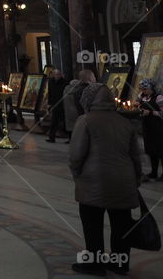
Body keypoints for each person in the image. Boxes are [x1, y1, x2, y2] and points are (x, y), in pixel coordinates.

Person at [69, 83, 141, 276]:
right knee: (121, 224)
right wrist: (136, 178)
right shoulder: (125, 122)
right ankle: (120, 263)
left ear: (88, 99)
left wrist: (76, 173)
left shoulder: (85, 121)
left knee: (92, 224)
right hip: (124, 181)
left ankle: (95, 263)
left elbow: (76, 154)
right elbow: (135, 155)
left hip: (94, 181)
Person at [137, 79, 163, 181]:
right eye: (141, 89)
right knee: (151, 151)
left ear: (151, 88)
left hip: (159, 129)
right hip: (148, 128)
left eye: (145, 89)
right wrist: (136, 106)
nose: (143, 91)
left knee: (161, 151)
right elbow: (137, 104)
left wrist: (151, 113)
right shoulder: (142, 96)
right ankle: (153, 173)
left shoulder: (159, 98)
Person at [64, 70, 95, 143]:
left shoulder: (76, 90)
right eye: (93, 76)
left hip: (80, 117)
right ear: (90, 78)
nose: (95, 78)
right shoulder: (90, 89)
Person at [46, 69, 69, 143]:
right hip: (54, 104)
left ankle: (71, 137)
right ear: (53, 75)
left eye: (59, 74)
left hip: (63, 104)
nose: (57, 76)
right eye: (56, 74)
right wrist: (49, 103)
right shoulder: (51, 82)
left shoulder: (65, 82)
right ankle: (51, 137)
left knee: (66, 122)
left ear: (61, 75)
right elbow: (50, 93)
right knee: (54, 122)